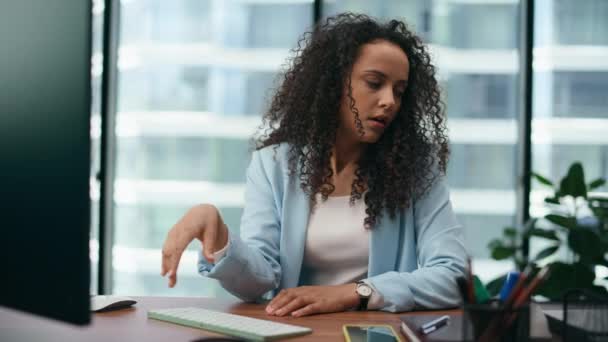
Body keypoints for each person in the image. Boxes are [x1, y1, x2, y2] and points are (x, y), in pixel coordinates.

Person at [161, 13, 467, 317]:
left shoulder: (416, 168)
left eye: (399, 92)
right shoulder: (273, 165)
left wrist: (355, 292)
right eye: (375, 83)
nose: (389, 101)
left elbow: (454, 277)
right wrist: (219, 237)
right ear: (334, 84)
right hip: (298, 333)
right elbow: (261, 280)